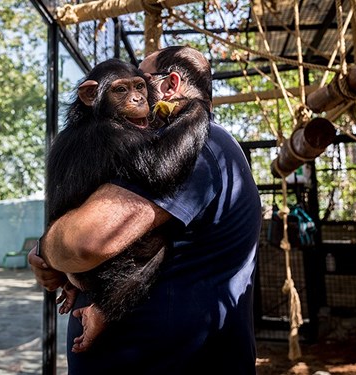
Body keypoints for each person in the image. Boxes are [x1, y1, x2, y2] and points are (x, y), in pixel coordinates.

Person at [28, 45, 262, 374]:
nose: (139, 96)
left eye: (143, 83)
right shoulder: (113, 134)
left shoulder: (198, 143)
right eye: (126, 87)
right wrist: (48, 252)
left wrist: (51, 252)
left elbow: (81, 243)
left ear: (169, 85)